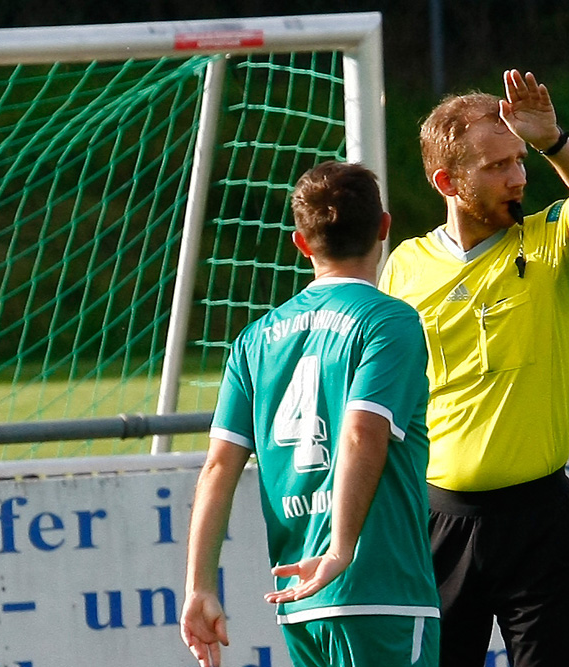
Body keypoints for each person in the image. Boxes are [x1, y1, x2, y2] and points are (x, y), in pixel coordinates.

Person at [378, 69, 569, 667]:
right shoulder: (406, 267)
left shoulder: (550, 243)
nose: (517, 177)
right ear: (447, 181)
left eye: (519, 160)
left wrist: (553, 141)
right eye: (496, 166)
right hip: (437, 520)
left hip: (540, 520)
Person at [181, 161, 440, 667]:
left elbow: (217, 467)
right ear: (385, 228)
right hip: (378, 585)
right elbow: (363, 432)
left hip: (301, 600)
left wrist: (198, 587)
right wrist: (342, 550)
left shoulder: (254, 339)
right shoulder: (390, 321)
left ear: (301, 243)